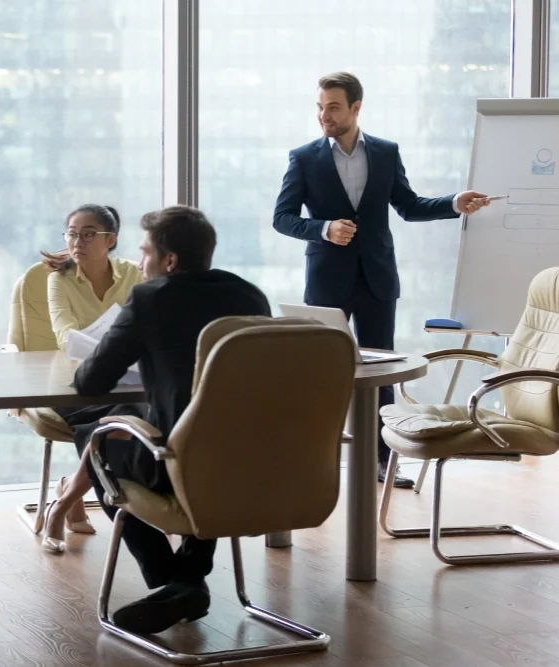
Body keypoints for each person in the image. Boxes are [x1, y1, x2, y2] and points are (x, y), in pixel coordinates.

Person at [272, 71, 491, 488]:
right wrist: (323, 228)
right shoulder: (303, 157)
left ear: (356, 107)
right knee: (320, 374)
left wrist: (453, 204)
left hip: (376, 278)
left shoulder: (387, 153)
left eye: (333, 107)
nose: (324, 115)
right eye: (320, 107)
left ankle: (380, 463)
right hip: (325, 283)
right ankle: (312, 464)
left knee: (380, 376)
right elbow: (282, 218)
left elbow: (407, 205)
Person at [60, 205, 271, 635]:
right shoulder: (250, 295)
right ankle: (189, 577)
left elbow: (91, 380)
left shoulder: (150, 298)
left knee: (94, 437)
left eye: (145, 253)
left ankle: (170, 581)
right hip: (251, 460)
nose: (140, 263)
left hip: (176, 462)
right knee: (203, 435)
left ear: (169, 261)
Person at [40, 204, 146, 552]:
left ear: (110, 239)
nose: (77, 241)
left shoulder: (134, 274)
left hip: (127, 378)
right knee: (114, 422)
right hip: (75, 380)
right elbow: (65, 335)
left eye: (88, 234)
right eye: (71, 233)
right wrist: (116, 346)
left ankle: (65, 497)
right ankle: (68, 502)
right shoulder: (60, 279)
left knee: (133, 417)